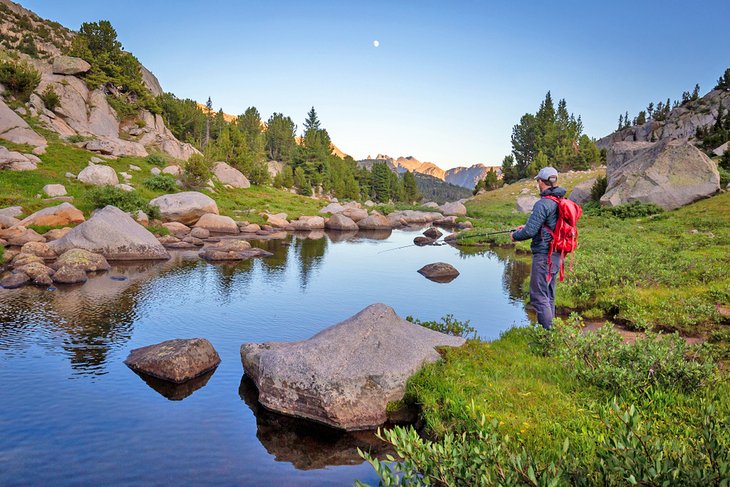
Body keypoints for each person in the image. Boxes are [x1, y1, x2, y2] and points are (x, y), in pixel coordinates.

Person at [510, 167, 567, 330]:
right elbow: (546, 226)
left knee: (538, 296)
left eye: (538, 181)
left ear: (541, 182)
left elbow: (529, 232)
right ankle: (552, 333)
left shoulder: (543, 204)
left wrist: (515, 236)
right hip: (557, 255)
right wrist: (527, 227)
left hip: (544, 256)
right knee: (548, 295)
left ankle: (548, 337)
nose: (537, 183)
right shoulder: (559, 200)